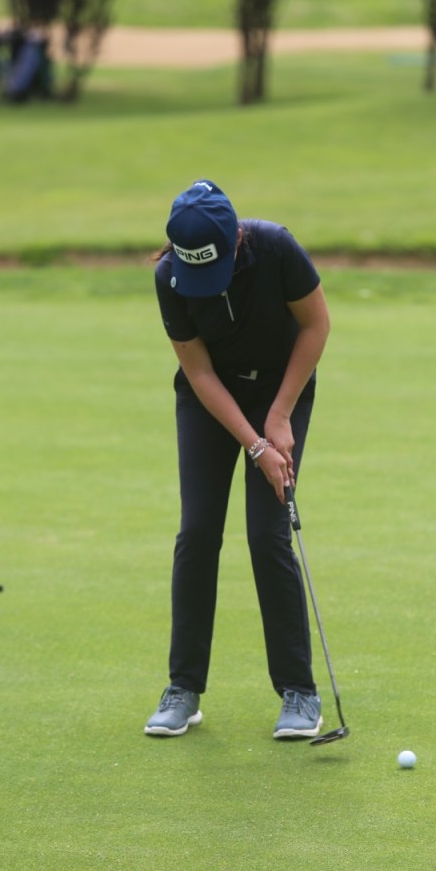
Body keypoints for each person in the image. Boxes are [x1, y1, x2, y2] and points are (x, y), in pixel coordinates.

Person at [145, 179, 331, 740]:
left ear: (236, 240)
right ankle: (183, 688)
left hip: (281, 391)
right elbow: (199, 371)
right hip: (211, 400)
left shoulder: (275, 247)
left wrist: (279, 416)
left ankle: (300, 692)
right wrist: (255, 445)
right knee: (198, 531)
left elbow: (316, 325)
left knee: (267, 533)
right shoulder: (168, 277)